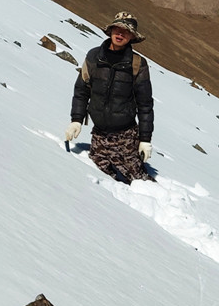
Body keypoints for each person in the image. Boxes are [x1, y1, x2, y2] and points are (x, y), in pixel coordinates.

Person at [66, 12, 155, 183]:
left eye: (126, 31)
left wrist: (145, 140)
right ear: (111, 30)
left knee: (139, 180)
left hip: (125, 135)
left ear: (131, 37)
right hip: (99, 134)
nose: (120, 34)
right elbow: (82, 90)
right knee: (101, 174)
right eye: (117, 29)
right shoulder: (93, 57)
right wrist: (76, 119)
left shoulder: (137, 64)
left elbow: (145, 105)